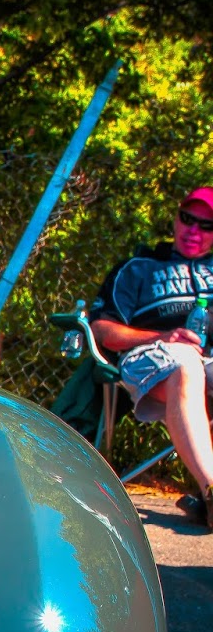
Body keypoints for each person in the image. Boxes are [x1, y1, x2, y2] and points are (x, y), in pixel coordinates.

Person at [91, 186, 213, 529]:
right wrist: (162, 336)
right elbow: (102, 329)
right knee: (186, 364)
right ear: (175, 220)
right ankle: (211, 489)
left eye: (206, 226)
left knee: (195, 364)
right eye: (188, 219)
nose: (194, 230)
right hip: (155, 357)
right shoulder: (139, 269)